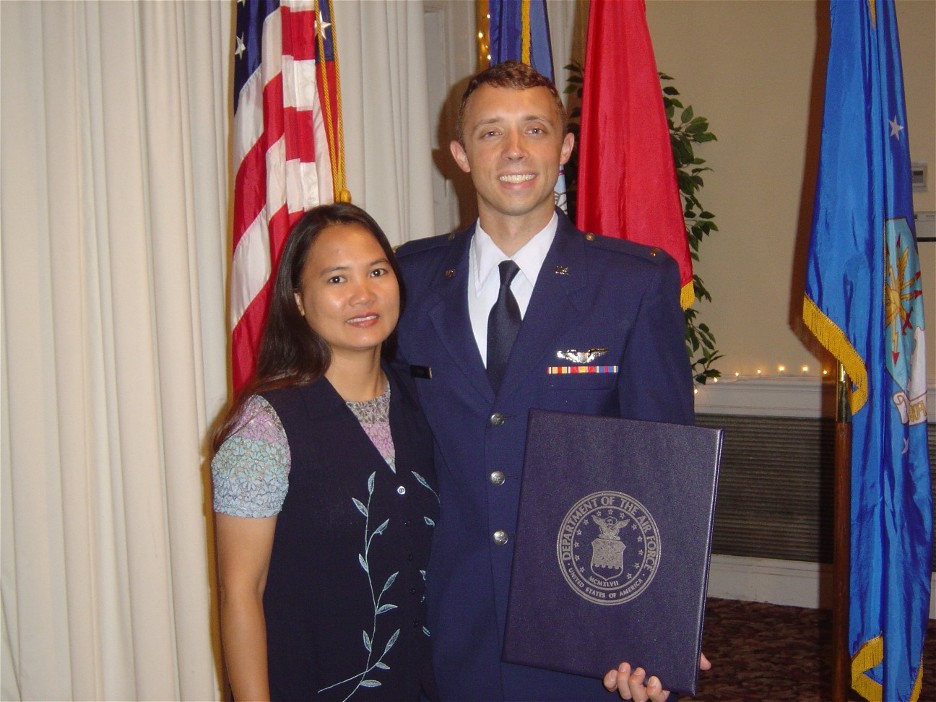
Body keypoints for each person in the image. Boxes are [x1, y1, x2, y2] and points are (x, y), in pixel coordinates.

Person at [395, 61, 707, 701]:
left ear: (564, 148)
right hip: (444, 625)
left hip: (584, 628)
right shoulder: (408, 280)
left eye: (534, 129)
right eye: (490, 133)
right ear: (459, 154)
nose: (514, 151)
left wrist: (659, 629)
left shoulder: (633, 284)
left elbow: (666, 469)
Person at [211, 203, 439, 701]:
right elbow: (241, 593)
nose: (364, 294)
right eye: (337, 279)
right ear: (297, 300)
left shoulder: (428, 401)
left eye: (378, 271)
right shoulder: (264, 427)